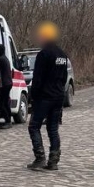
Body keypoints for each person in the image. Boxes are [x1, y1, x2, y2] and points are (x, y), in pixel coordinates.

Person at [27, 22, 69, 171]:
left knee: (34, 126)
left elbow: (37, 78)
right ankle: (54, 160)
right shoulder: (62, 54)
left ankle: (40, 158)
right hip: (58, 96)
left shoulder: (44, 54)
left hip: (44, 97)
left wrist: (33, 97)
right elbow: (64, 77)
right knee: (53, 129)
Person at [0, 44, 13, 129]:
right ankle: (9, 120)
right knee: (6, 103)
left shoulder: (0, 59)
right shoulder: (5, 58)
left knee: (1, 105)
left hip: (4, 84)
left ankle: (8, 121)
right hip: (9, 83)